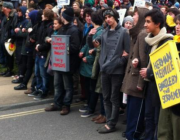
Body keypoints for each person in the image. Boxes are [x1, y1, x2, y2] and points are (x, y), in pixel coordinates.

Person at [94, 8, 130, 133]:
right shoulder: (104, 32)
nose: (108, 19)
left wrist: (120, 62)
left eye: (110, 17)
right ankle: (109, 121)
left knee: (114, 98)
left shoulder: (124, 32)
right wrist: (92, 38)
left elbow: (128, 53)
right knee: (105, 97)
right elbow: (97, 44)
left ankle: (112, 124)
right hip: (104, 68)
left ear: (115, 17)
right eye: (106, 17)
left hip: (116, 70)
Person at [140, 9, 173, 140]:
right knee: (148, 116)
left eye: (148, 22)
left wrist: (149, 72)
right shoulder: (149, 40)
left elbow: (168, 68)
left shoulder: (167, 42)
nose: (145, 24)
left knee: (157, 119)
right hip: (150, 86)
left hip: (161, 89)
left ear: (158, 23)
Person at [45, 8, 80, 115]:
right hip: (59, 62)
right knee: (57, 84)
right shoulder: (62, 29)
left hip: (68, 63)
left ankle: (66, 105)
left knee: (67, 86)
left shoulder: (74, 30)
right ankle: (57, 103)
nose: (61, 15)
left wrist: (62, 46)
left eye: (62, 14)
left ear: (64, 17)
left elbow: (75, 47)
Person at [121, 7, 149, 140]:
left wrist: (140, 83)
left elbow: (143, 61)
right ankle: (130, 133)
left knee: (136, 113)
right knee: (132, 111)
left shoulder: (142, 34)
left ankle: (132, 135)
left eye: (136, 14)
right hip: (131, 79)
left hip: (136, 81)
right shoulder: (136, 33)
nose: (133, 17)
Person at [157, 14, 180, 140]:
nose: (178, 27)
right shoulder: (172, 43)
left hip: (178, 100)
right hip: (168, 94)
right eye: (177, 24)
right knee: (164, 130)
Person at [29, 9, 54, 100]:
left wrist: (40, 47)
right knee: (37, 73)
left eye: (43, 14)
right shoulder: (42, 25)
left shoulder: (50, 26)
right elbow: (37, 36)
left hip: (43, 52)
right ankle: (38, 88)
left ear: (46, 16)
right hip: (38, 52)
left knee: (43, 74)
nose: (41, 16)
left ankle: (44, 91)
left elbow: (47, 41)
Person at [11, 6, 29, 84]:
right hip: (18, 42)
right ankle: (19, 74)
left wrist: (18, 32)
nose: (18, 13)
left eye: (20, 11)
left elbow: (25, 34)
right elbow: (13, 30)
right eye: (17, 11)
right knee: (18, 59)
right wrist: (15, 31)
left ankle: (21, 76)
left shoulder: (26, 21)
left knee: (22, 61)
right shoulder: (18, 20)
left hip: (23, 43)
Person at [0, 2, 17, 77]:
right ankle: (7, 69)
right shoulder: (4, 16)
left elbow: (13, 28)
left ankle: (10, 70)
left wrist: (11, 38)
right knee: (6, 55)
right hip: (4, 38)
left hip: (9, 40)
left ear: (9, 9)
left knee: (9, 55)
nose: (2, 8)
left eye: (4, 7)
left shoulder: (14, 16)